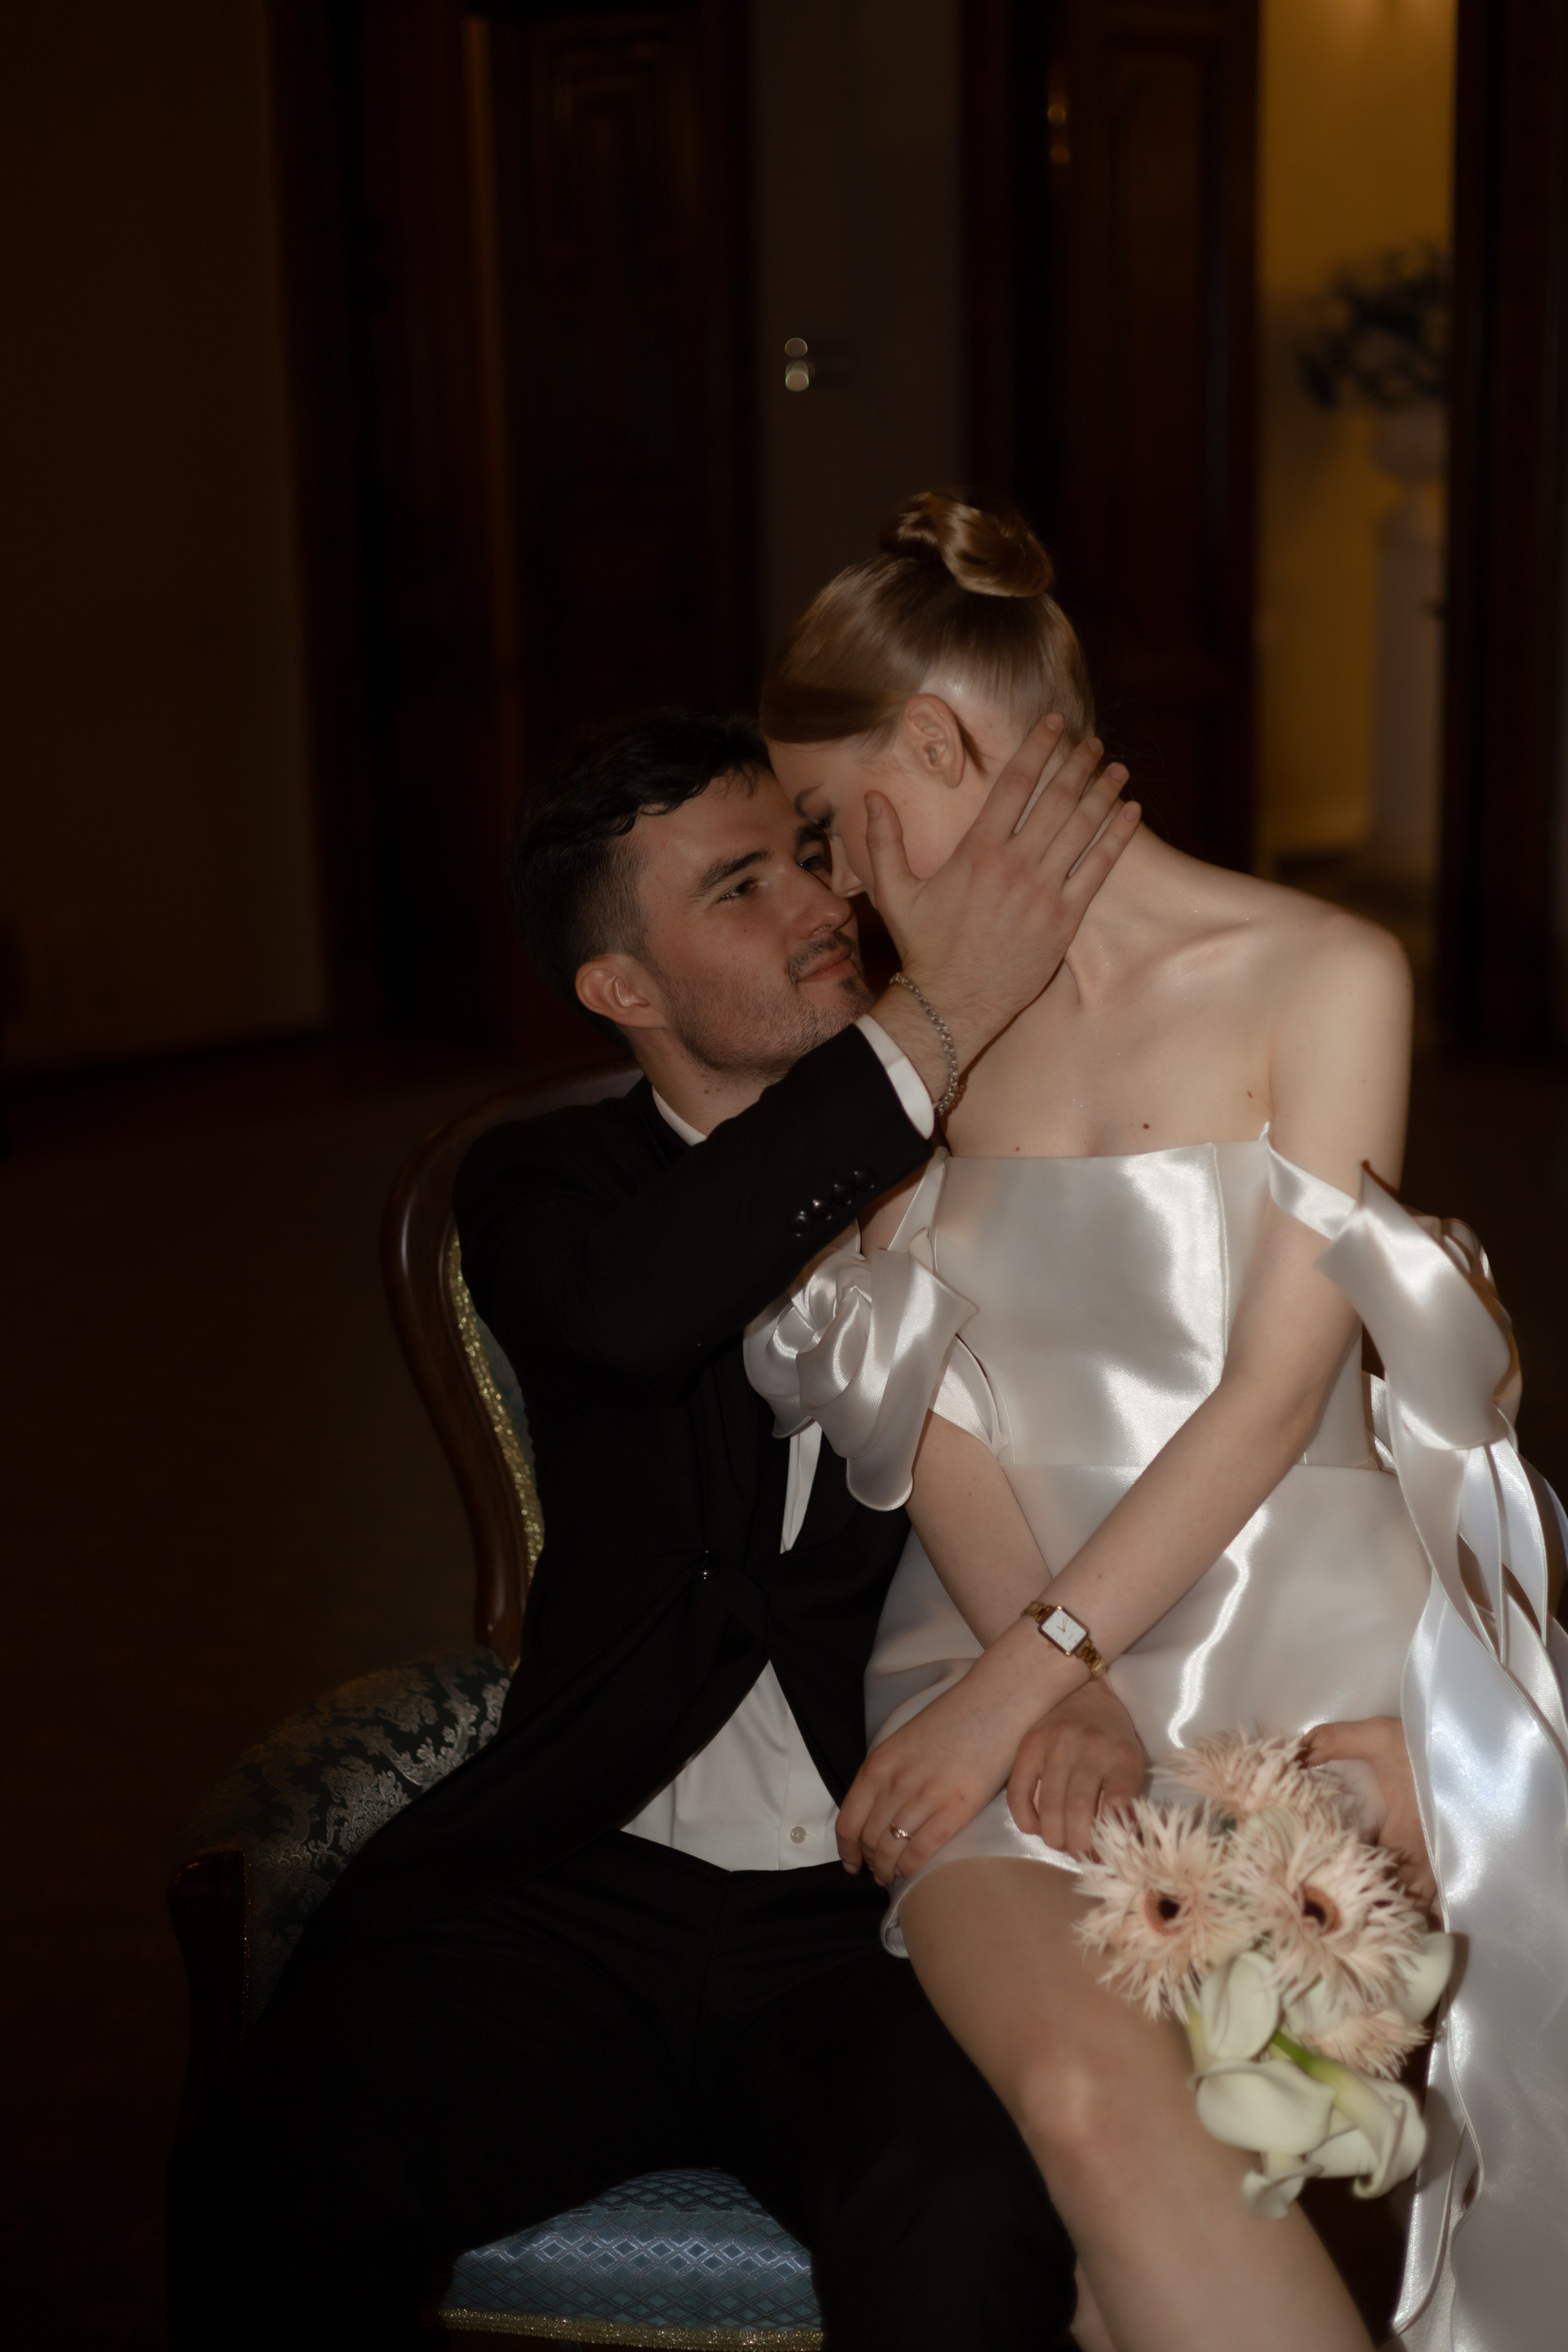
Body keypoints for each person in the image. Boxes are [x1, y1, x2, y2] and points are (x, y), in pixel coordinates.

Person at [166, 707, 1143, 2350]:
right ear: (621, 989)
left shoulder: (990, 1179)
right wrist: (934, 1018)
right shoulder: (544, 1184)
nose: (821, 903)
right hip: (577, 1882)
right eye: (741, 888)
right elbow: (631, 1318)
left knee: (968, 2216)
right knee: (279, 2158)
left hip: (876, 1909)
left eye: (808, 857)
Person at [753, 491, 1568, 2352]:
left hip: (1301, 1662)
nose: (837, 883)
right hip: (981, 1631)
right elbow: (917, 1398)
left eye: (835, 819)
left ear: (942, 745)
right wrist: (1031, 1690)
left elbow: (1277, 1392)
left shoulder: (1326, 974)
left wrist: (1043, 1678)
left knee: (1136, 2234)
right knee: (1081, 2097)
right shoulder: (913, 1036)